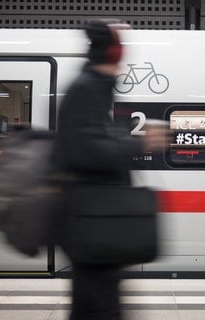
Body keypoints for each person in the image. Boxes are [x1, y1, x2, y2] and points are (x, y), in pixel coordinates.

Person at [57, 19, 170, 320]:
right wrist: (139, 145)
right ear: (112, 54)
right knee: (99, 308)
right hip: (92, 223)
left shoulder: (93, 89)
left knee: (93, 307)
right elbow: (84, 151)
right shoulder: (87, 90)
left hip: (97, 224)